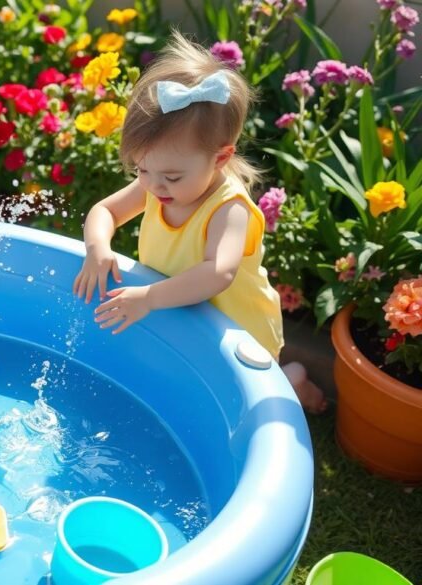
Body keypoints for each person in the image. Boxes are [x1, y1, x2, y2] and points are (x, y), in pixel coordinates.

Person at [73, 31, 326, 413]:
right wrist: (98, 249)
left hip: (238, 330)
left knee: (249, 398)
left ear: (221, 159)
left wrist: (149, 297)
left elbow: (217, 273)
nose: (154, 185)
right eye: (142, 169)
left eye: (171, 176)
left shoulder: (229, 209)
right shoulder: (158, 183)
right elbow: (104, 212)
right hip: (180, 307)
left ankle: (296, 385)